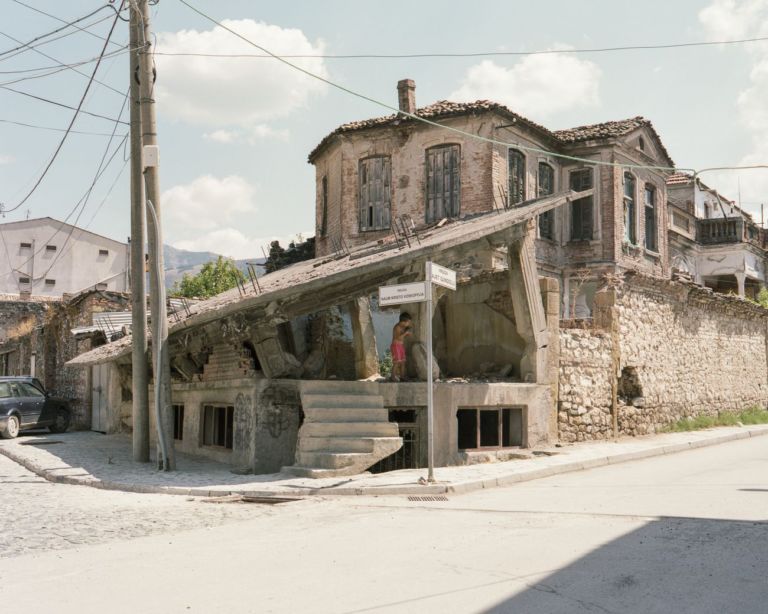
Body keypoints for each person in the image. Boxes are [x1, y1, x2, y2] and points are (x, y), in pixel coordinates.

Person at [390, 312, 412, 382]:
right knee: (397, 362)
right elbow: (398, 338)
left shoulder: (403, 327)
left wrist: (407, 332)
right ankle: (393, 376)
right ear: (403, 322)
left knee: (403, 362)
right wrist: (405, 333)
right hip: (396, 346)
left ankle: (402, 376)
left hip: (400, 346)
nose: (409, 324)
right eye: (408, 322)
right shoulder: (397, 327)